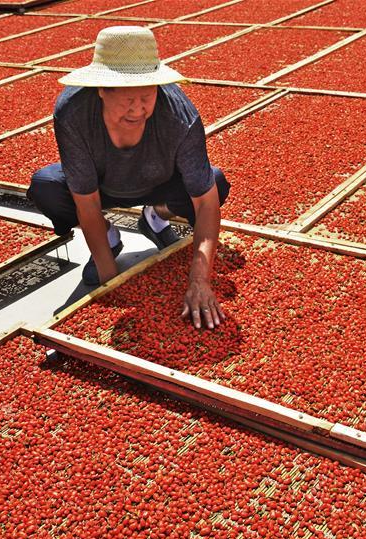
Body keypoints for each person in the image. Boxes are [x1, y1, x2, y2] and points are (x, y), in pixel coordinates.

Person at [28, 26, 230, 330]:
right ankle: (109, 239)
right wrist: (114, 282)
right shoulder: (73, 113)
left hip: (160, 183)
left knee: (215, 182)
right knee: (46, 187)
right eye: (127, 99)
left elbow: (205, 203)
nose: (138, 109)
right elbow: (86, 200)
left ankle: (157, 216)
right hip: (103, 186)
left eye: (147, 96)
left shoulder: (179, 116)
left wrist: (200, 280)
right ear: (101, 90)